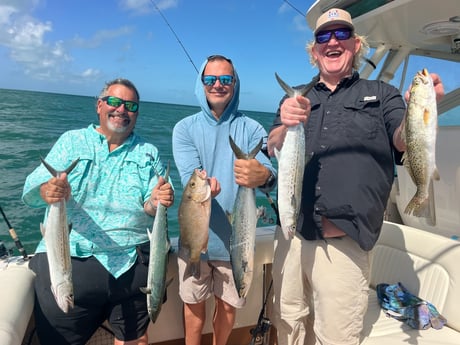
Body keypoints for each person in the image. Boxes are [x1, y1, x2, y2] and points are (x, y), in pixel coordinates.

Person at [267, 8, 445, 345]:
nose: (332, 41)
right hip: (292, 240)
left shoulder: (382, 95)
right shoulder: (296, 99)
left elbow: (403, 139)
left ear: (356, 44)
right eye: (323, 36)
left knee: (335, 338)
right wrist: (285, 123)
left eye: (342, 34)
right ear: (314, 50)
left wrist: (423, 110)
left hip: (343, 247)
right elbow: (273, 144)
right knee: (288, 324)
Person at [22, 78, 174, 345]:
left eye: (130, 105)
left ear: (137, 112)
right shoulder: (72, 141)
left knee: (135, 339)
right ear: (99, 105)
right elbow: (33, 190)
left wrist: (156, 200)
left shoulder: (148, 152)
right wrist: (48, 190)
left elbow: (151, 208)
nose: (121, 110)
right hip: (69, 260)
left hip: (132, 262)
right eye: (115, 102)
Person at [172, 54, 277, 345]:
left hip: (238, 238)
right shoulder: (184, 128)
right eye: (210, 79)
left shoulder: (253, 129)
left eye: (225, 79)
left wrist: (263, 174)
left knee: (228, 307)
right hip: (195, 236)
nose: (217, 85)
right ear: (201, 83)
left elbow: (270, 176)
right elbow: (188, 177)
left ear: (235, 83)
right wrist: (208, 186)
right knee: (193, 307)